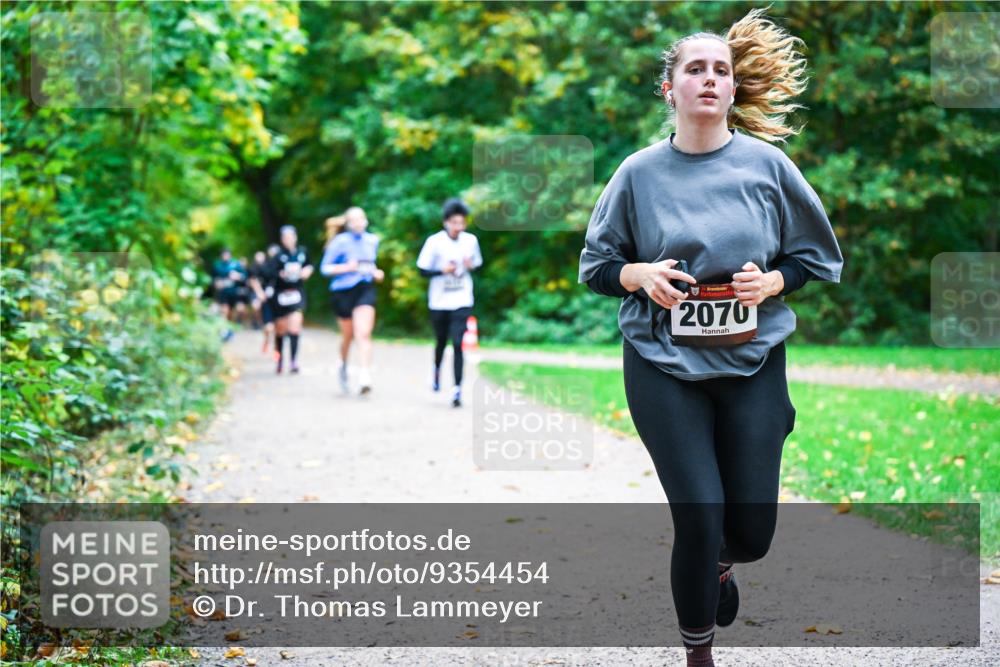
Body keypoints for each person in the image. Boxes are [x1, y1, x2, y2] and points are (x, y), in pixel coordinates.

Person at [577, 9, 843, 667]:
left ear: (732, 88)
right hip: (661, 361)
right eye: (695, 69)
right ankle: (699, 656)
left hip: (752, 361)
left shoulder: (768, 167)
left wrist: (772, 282)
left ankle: (722, 564)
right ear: (671, 89)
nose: (709, 79)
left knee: (749, 533)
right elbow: (597, 267)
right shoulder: (638, 173)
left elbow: (814, 259)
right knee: (698, 514)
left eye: (720, 70)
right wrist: (639, 274)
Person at [416, 198, 483, 407]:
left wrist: (470, 265)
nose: (458, 227)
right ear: (446, 222)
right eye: (454, 222)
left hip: (462, 299)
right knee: (441, 340)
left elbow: (477, 263)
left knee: (458, 343)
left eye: (461, 223)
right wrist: (441, 271)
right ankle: (436, 370)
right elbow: (422, 270)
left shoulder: (470, 241)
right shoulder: (434, 242)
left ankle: (457, 389)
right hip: (439, 301)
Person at [320, 207, 384, 395]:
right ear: (348, 223)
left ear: (366, 220)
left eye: (361, 219)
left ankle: (365, 376)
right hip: (343, 292)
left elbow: (370, 265)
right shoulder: (340, 242)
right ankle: (343, 364)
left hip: (364, 289)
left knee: (363, 333)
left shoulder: (372, 240)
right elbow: (325, 268)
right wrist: (346, 268)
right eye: (354, 220)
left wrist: (377, 273)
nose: (358, 223)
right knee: (348, 336)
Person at [271, 226, 313, 374]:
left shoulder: (302, 252)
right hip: (281, 295)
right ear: (282, 239)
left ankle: (294, 361)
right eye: (285, 237)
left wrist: (307, 271)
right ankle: (279, 360)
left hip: (297, 293)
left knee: (295, 325)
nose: (288, 239)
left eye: (291, 236)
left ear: (295, 237)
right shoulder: (278, 255)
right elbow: (271, 273)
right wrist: (281, 274)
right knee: (281, 330)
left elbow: (310, 265)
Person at [210, 248, 247, 342]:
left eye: (227, 254)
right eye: (224, 254)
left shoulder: (236, 264)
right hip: (223, 293)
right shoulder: (217, 266)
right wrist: (216, 283)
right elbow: (213, 279)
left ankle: (230, 330)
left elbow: (245, 276)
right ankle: (224, 331)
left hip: (233, 293)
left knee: (232, 313)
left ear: (230, 255)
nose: (225, 256)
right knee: (224, 310)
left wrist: (238, 276)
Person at [247, 248, 278, 353]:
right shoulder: (263, 268)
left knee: (279, 326)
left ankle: (277, 348)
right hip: (267, 300)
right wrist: (260, 293)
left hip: (280, 301)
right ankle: (266, 339)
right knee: (269, 327)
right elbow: (253, 280)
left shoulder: (284, 267)